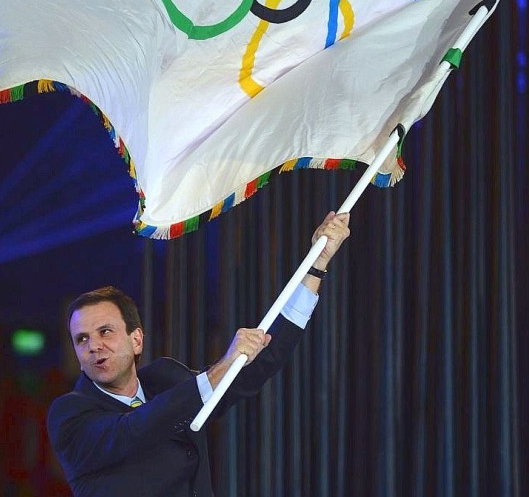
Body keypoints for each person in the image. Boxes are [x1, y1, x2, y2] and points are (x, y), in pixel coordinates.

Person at [47, 211, 351, 497]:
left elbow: (259, 365)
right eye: (81, 339)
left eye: (105, 332)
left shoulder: (166, 379)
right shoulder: (70, 414)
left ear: (136, 339)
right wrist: (220, 369)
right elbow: (135, 429)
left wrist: (316, 266)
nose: (94, 346)